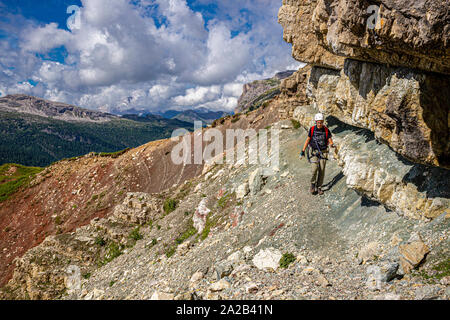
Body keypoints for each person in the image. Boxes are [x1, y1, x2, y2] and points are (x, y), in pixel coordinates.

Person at [300, 113, 335, 195]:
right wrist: (303, 151)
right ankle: (313, 184)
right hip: (314, 152)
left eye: (321, 122)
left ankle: (319, 187)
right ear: (316, 122)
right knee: (314, 169)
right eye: (318, 122)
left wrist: (332, 144)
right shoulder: (312, 130)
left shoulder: (326, 130)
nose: (320, 124)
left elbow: (330, 139)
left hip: (323, 152)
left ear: (323, 122)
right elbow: (308, 140)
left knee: (322, 170)